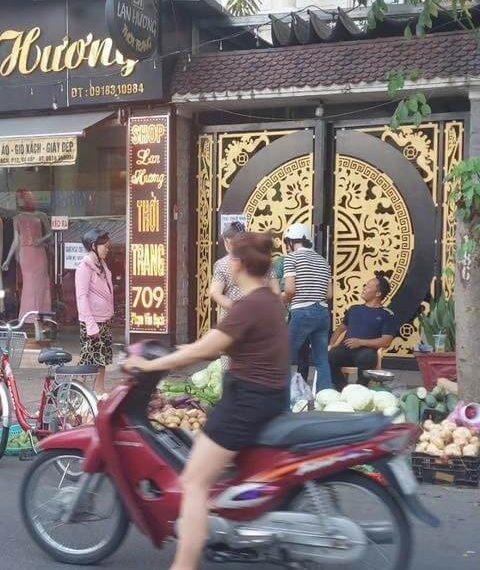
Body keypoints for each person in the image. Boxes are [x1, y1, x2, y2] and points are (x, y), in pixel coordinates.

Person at [123, 232, 289, 570]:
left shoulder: (249, 306)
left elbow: (204, 350)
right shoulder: (269, 301)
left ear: (238, 264)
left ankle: (183, 566)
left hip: (246, 402)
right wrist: (177, 350)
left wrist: (148, 365)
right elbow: (211, 345)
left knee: (194, 481)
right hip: (269, 398)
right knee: (218, 469)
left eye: (230, 258)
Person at [210, 221, 280, 370]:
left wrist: (236, 307)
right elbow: (276, 292)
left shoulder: (223, 264)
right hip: (261, 319)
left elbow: (215, 292)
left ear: (227, 241)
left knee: (230, 366)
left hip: (232, 322)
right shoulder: (262, 260)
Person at [283, 223, 333, 392]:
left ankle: (282, 398)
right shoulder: (323, 261)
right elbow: (329, 294)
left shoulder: (292, 258)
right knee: (321, 360)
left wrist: (281, 299)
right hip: (323, 313)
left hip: (302, 312)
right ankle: (325, 396)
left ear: (291, 241)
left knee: (284, 357)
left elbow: (290, 290)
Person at [329, 271, 396, 391]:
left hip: (366, 351)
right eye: (365, 285)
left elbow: (386, 341)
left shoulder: (387, 314)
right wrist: (331, 344)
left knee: (367, 357)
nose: (364, 288)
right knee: (329, 356)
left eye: (368, 286)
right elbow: (340, 330)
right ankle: (343, 388)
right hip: (346, 349)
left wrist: (360, 342)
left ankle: (360, 390)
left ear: (378, 293)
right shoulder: (354, 309)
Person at [2, 189, 51, 321]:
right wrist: (7, 260)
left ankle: (42, 315)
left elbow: (50, 233)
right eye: (18, 198)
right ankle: (28, 316)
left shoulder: (41, 215)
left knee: (41, 283)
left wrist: (40, 240)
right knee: (29, 284)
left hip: (39, 252)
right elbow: (16, 240)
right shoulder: (16, 218)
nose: (20, 201)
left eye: (22, 198)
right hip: (25, 254)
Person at [75, 229, 114, 397]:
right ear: (93, 246)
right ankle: (78, 392)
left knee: (102, 357)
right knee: (88, 359)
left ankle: (99, 390)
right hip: (92, 322)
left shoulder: (101, 265)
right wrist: (90, 325)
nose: (107, 249)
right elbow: (81, 297)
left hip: (104, 320)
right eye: (104, 246)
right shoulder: (84, 267)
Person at [274, 246, 310, 382]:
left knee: (303, 349)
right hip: (283, 310)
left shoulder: (309, 262)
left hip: (302, 309)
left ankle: (302, 382)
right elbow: (275, 284)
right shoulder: (281, 262)